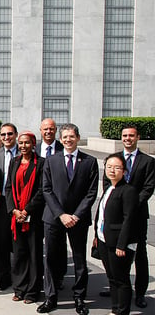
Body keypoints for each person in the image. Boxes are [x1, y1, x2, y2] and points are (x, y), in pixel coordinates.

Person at [37, 123, 98, 315]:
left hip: (78, 219)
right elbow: (46, 189)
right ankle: (51, 297)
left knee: (80, 260)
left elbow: (91, 193)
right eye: (65, 137)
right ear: (60, 139)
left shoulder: (89, 161)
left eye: (72, 136)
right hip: (54, 217)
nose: (68, 140)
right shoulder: (51, 160)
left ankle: (79, 297)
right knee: (51, 258)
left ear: (78, 138)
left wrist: (76, 215)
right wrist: (61, 214)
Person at [102, 126, 154, 309]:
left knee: (139, 255)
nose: (128, 138)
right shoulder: (114, 158)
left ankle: (139, 293)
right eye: (125, 135)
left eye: (131, 135)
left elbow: (148, 188)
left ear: (138, 137)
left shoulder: (147, 161)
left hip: (137, 216)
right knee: (111, 254)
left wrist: (129, 204)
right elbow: (107, 183)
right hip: (115, 218)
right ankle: (115, 286)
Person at [93, 153, 139, 315]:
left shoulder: (128, 191)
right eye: (109, 167)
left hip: (119, 243)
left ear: (125, 171)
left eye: (117, 167)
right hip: (105, 240)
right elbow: (102, 215)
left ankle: (123, 310)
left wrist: (122, 244)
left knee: (121, 279)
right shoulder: (109, 188)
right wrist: (96, 236)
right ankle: (115, 308)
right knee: (112, 278)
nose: (112, 170)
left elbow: (129, 220)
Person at [4, 132, 45, 304]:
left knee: (34, 254)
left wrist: (26, 210)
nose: (23, 146)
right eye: (20, 143)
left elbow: (42, 190)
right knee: (19, 254)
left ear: (33, 144)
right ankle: (19, 288)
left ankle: (32, 291)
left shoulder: (41, 163)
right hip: (16, 216)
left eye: (27, 143)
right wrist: (14, 210)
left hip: (33, 216)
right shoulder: (14, 162)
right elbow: (8, 188)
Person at [0, 123, 18, 291]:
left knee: (19, 243)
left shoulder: (24, 154)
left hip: (19, 204)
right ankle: (4, 276)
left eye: (10, 134)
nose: (6, 137)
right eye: (4, 135)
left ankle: (22, 275)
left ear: (15, 135)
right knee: (1, 241)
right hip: (0, 203)